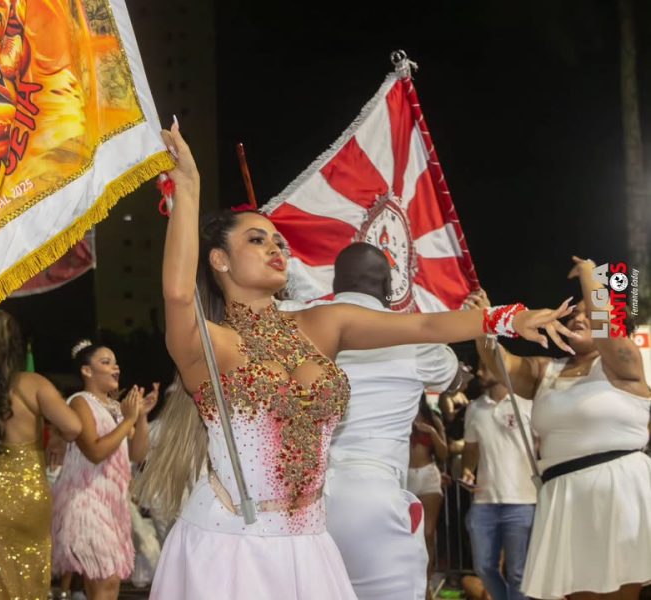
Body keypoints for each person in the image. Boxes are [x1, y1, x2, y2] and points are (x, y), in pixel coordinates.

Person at [133, 121, 577, 599]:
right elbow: (178, 295)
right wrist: (190, 188)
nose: (276, 249)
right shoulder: (211, 345)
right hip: (229, 544)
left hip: (309, 542)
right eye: (257, 240)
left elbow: (425, 327)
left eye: (278, 241)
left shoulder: (322, 325)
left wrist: (509, 319)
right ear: (219, 261)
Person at [280, 242, 464, 600]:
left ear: (336, 280)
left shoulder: (298, 321)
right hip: (371, 495)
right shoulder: (412, 335)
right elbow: (454, 379)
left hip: (298, 495)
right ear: (389, 286)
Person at [470, 257, 651, 600]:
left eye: (588, 310)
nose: (579, 317)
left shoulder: (624, 361)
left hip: (618, 489)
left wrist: (590, 274)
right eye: (573, 313)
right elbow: (500, 363)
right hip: (564, 494)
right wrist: (484, 321)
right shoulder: (546, 370)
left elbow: (606, 331)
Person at [0, 309, 82, 600]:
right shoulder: (32, 384)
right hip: (28, 499)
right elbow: (73, 426)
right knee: (31, 587)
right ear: (16, 346)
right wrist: (56, 438)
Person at [52, 341, 157, 600]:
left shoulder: (115, 408)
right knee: (103, 581)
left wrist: (140, 416)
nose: (115, 367)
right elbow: (95, 452)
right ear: (87, 371)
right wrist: (129, 419)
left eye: (115, 362)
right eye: (106, 362)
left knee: (110, 585)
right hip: (87, 501)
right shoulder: (79, 402)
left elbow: (138, 454)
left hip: (114, 505)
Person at [461, 359, 537, 600]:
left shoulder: (528, 405)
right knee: (483, 567)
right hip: (483, 501)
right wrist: (467, 470)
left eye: (484, 367)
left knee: (518, 572)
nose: (479, 372)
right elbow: (470, 450)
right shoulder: (474, 409)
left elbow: (543, 445)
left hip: (523, 500)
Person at [407, 394, 448, 586]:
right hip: (406, 477)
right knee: (409, 532)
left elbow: (444, 453)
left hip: (429, 475)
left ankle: (427, 578)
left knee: (428, 532)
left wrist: (431, 432)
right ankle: (412, 577)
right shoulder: (400, 415)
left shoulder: (434, 419)